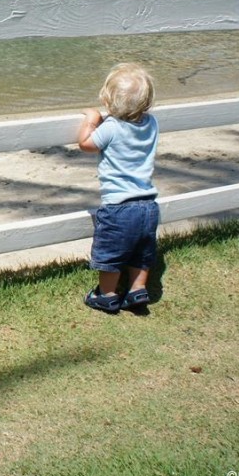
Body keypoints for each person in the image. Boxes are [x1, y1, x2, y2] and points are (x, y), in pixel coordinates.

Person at [76, 63, 160, 314]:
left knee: (110, 254)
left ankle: (107, 295)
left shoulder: (111, 127)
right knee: (141, 252)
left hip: (119, 207)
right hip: (148, 205)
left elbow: (86, 144)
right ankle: (137, 290)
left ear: (109, 101)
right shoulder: (152, 123)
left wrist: (92, 120)